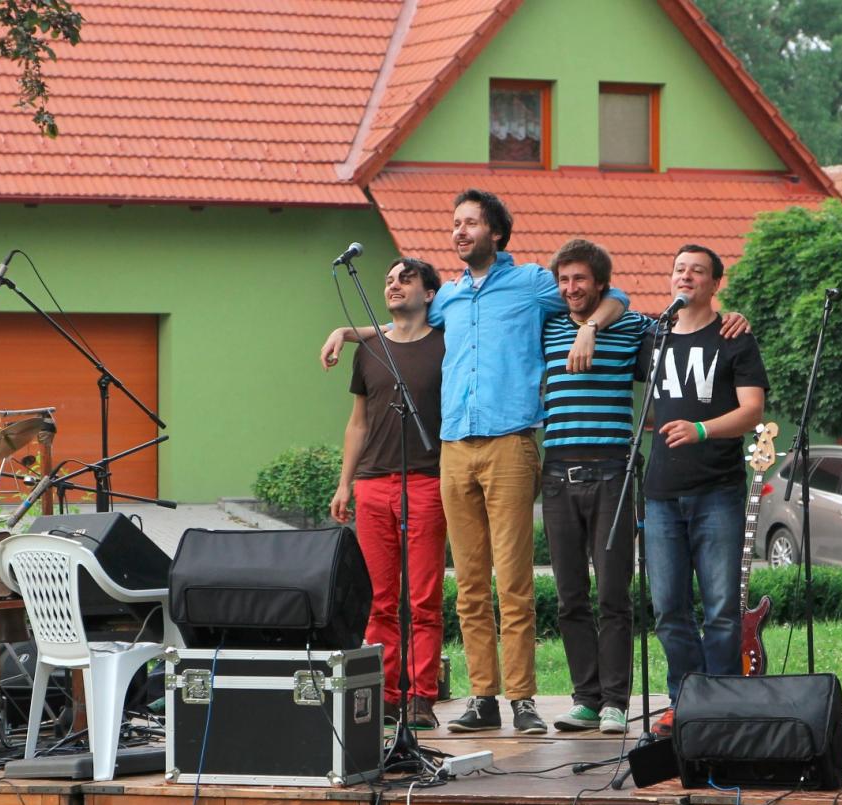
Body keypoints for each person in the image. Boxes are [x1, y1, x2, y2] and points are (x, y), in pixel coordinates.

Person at [321, 189, 628, 734]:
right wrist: (349, 332)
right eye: (455, 224)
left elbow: (615, 296)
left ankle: (522, 700)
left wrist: (589, 327)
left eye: (470, 223)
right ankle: (483, 697)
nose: (459, 232)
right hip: (454, 449)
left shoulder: (533, 283)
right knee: (468, 584)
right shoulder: (449, 297)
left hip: (510, 442)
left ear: (496, 233)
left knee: (513, 582)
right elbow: (405, 325)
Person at [540, 239, 747, 736]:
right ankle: (586, 699)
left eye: (581, 279)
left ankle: (618, 701)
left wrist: (732, 318)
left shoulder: (634, 328)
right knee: (570, 597)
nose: (571, 288)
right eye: (564, 280)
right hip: (557, 473)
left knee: (615, 594)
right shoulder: (546, 327)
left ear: (600, 283)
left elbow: (650, 311)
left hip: (615, 470)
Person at [637, 244, 768, 738]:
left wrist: (701, 430)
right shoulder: (653, 336)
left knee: (721, 610)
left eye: (697, 271)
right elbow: (604, 308)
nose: (685, 276)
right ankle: (685, 702)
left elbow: (752, 410)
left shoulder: (734, 336)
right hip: (661, 493)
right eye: (679, 269)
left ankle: (726, 706)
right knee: (668, 609)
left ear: (715, 283)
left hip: (717, 491)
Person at [329, 258, 447, 730]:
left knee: (424, 600)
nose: (394, 285)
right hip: (373, 485)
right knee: (378, 600)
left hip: (427, 481)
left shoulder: (446, 344)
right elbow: (357, 422)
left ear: (430, 294)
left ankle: (421, 696)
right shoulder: (370, 350)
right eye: (389, 279)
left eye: (406, 279)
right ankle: (387, 694)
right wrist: (345, 483)